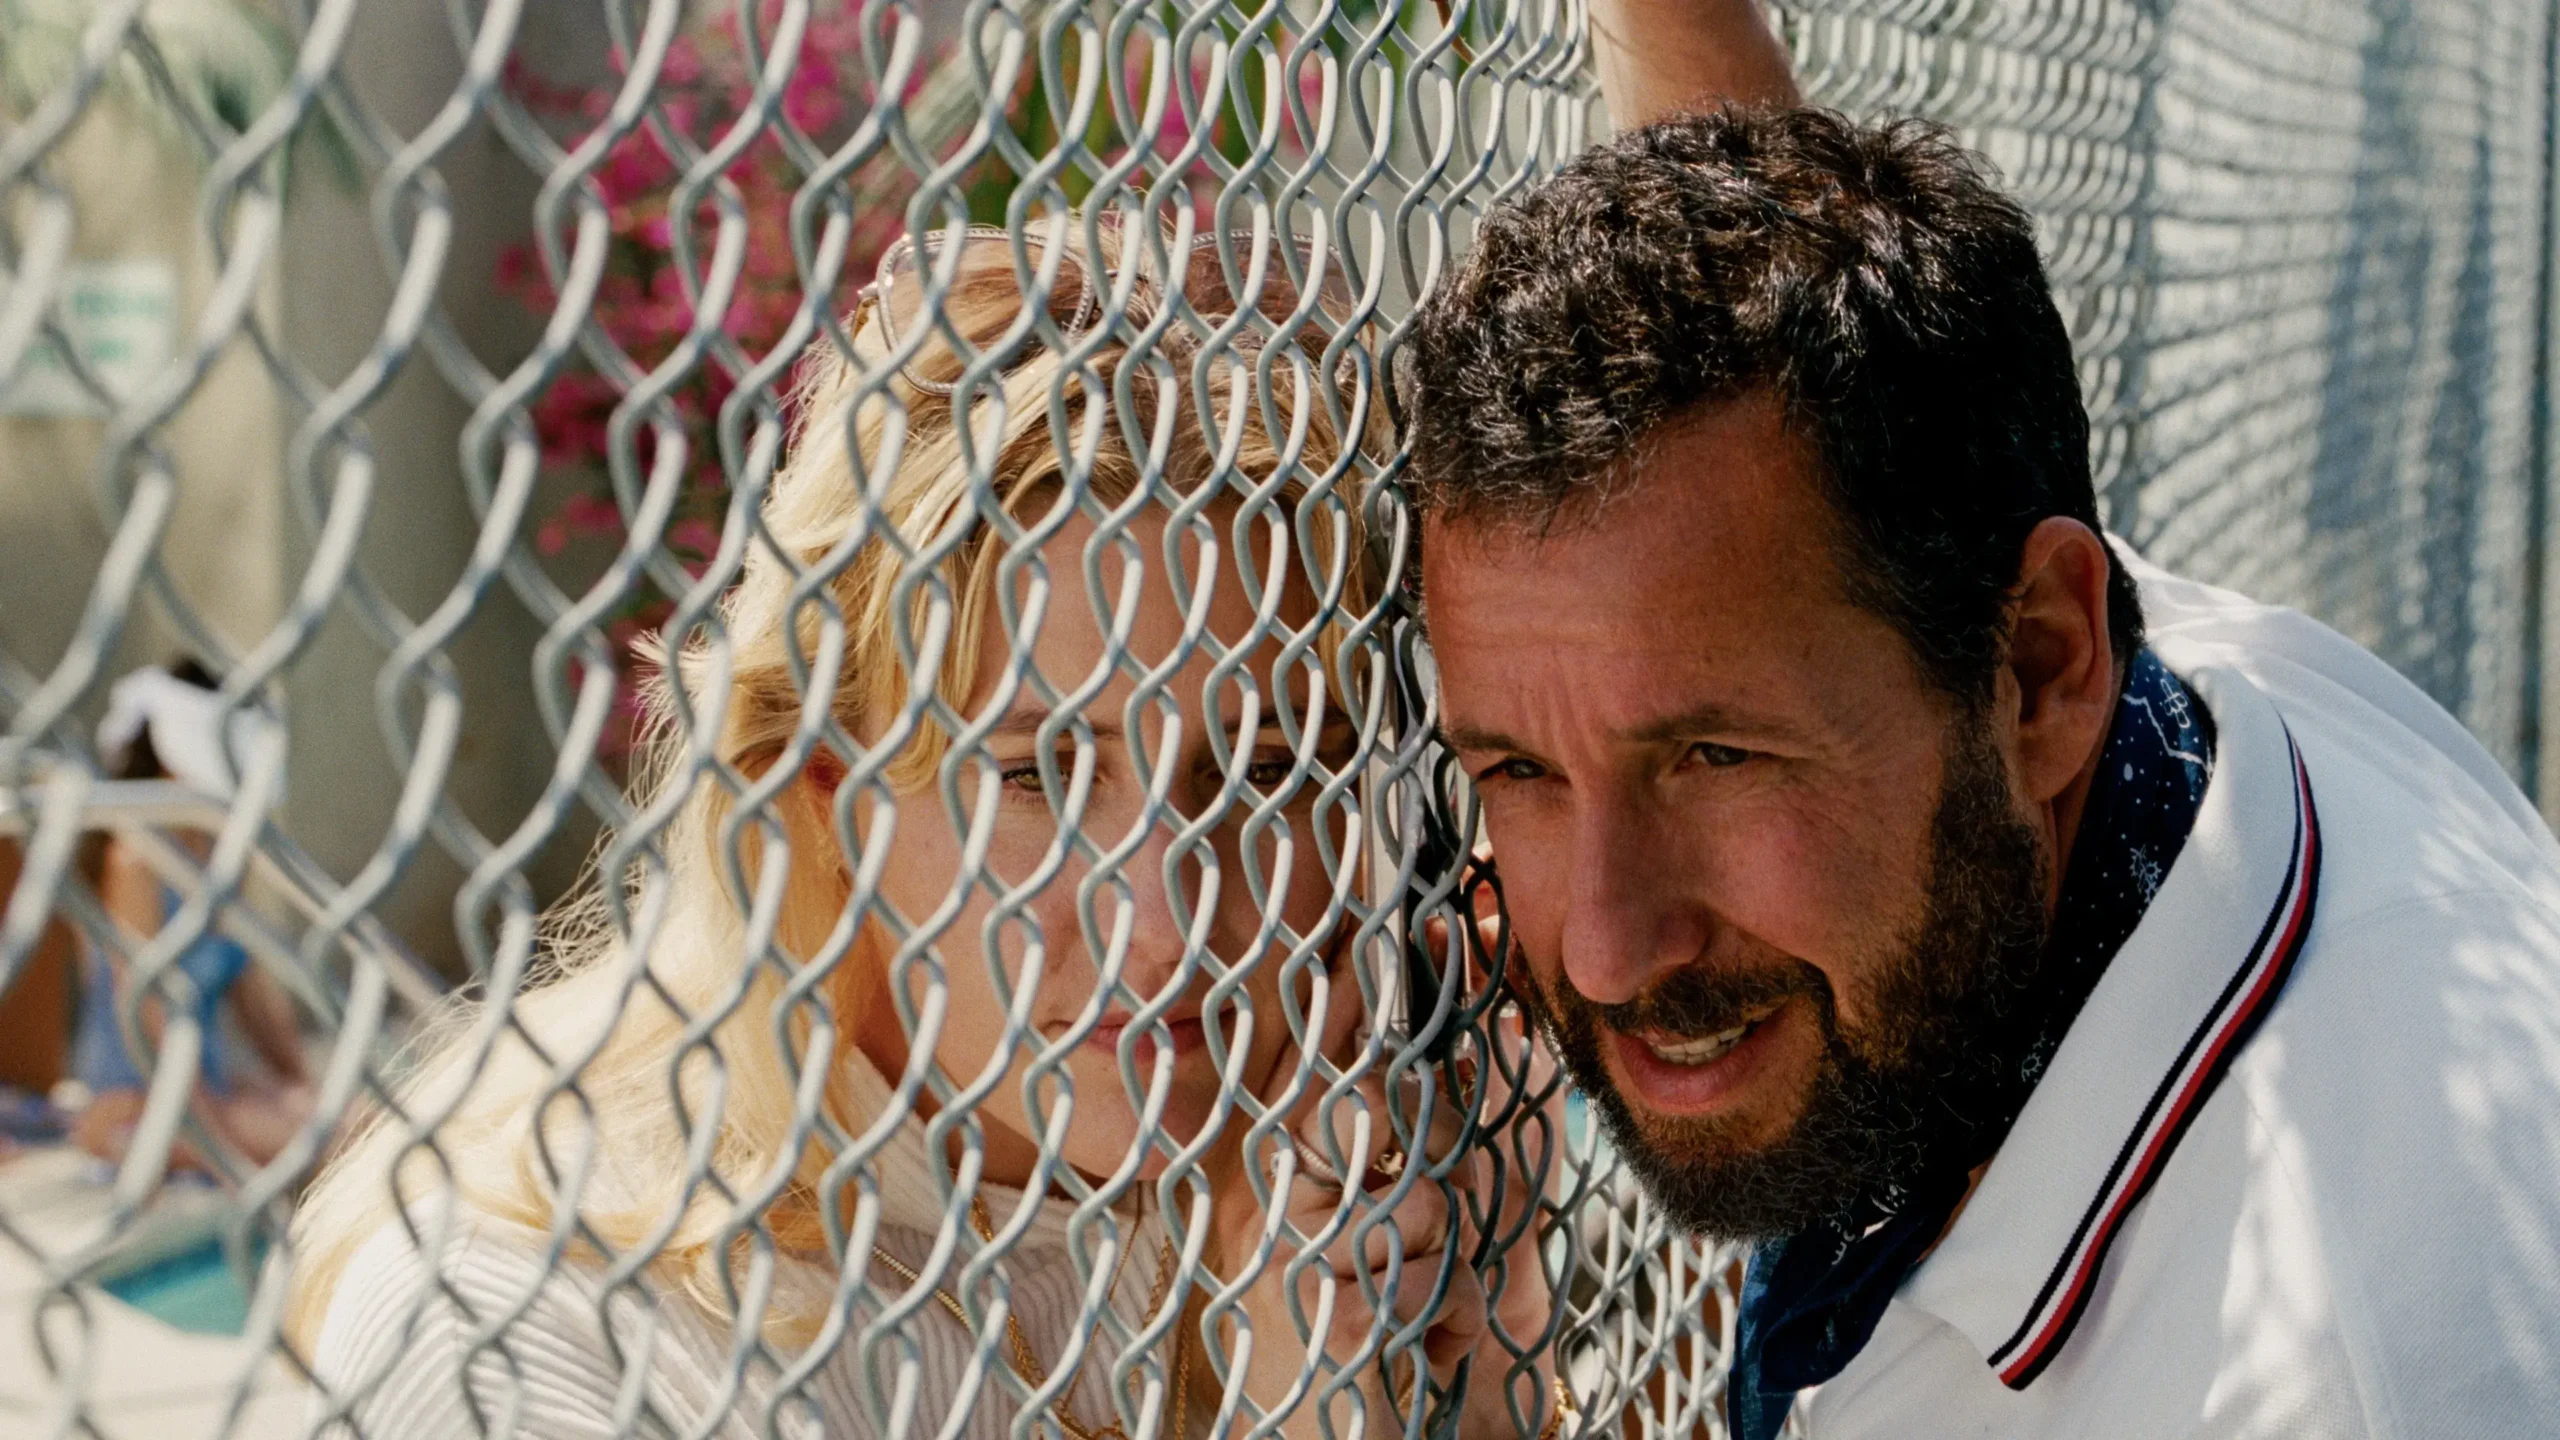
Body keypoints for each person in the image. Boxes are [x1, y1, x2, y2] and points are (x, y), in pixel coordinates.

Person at [1398, 3, 2560, 1436]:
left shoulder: (2297, 1380)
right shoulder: (2147, 718)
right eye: (1520, 770)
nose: (1603, 946)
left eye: (1715, 758)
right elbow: (1782, 442)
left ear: (2042, 673)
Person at [286, 222, 1558, 1440]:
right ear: (823, 790)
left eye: (1265, 769)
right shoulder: (534, 1326)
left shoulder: (1299, 1203)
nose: (1167, 926)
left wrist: (1495, 1374)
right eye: (1039, 775)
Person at [71, 660, 313, 1172]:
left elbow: (249, 991)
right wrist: (217, 1133)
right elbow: (147, 1011)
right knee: (328, 1135)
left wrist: (300, 1082)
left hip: (208, 1094)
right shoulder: (134, 857)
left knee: (350, 1116)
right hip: (134, 1107)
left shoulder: (216, 855)